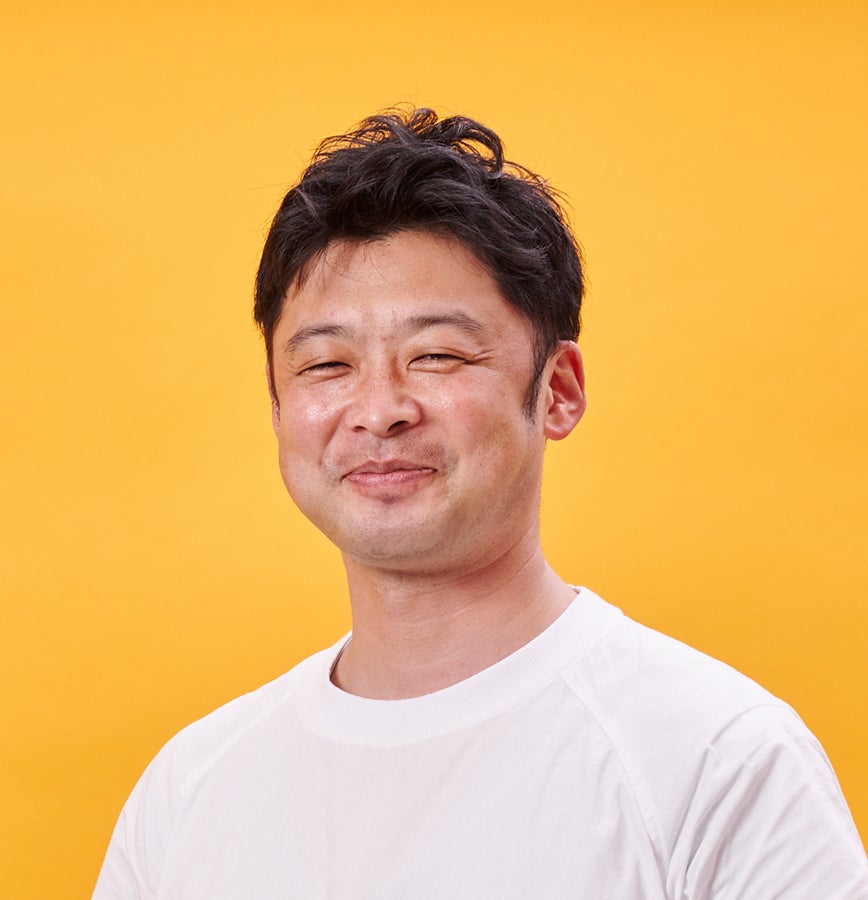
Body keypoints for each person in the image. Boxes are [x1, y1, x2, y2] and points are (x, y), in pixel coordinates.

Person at [93, 108, 867, 899]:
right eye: (326, 365)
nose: (379, 411)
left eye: (437, 355)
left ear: (558, 391)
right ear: (277, 404)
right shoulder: (188, 792)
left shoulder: (720, 765)